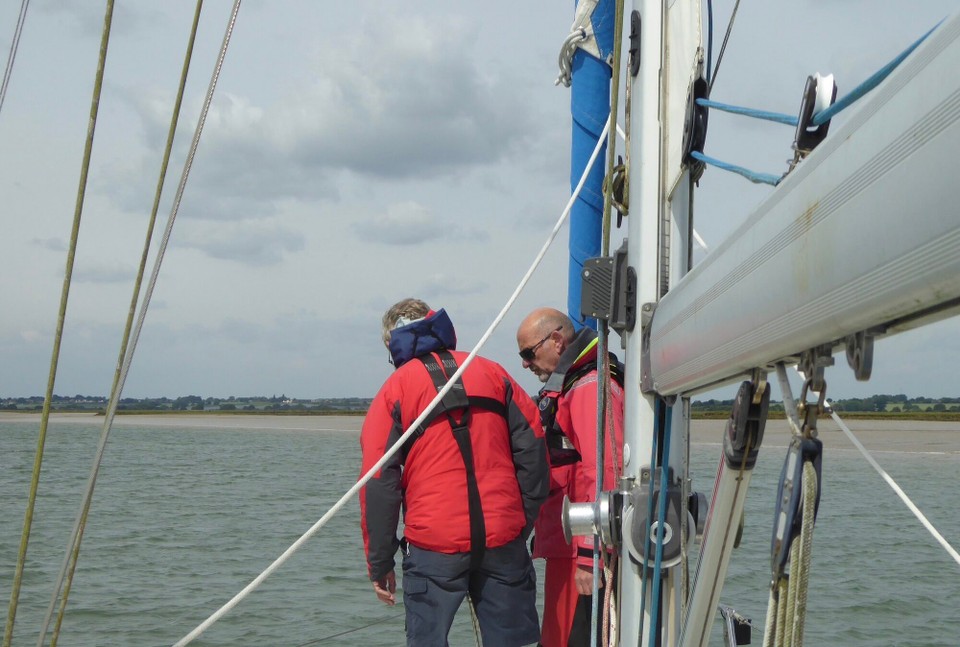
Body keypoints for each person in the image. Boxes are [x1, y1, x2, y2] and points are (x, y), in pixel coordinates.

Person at [359, 298, 550, 647]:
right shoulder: (493, 372)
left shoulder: (394, 390)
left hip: (434, 544)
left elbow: (379, 483)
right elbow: (534, 447)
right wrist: (521, 518)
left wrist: (380, 562)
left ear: (393, 343)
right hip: (503, 536)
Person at [516, 307, 625, 647]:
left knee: (567, 639)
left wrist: (589, 555)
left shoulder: (588, 387)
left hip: (582, 551)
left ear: (557, 341)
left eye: (528, 353)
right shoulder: (576, 383)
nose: (525, 364)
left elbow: (605, 471)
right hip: (572, 547)